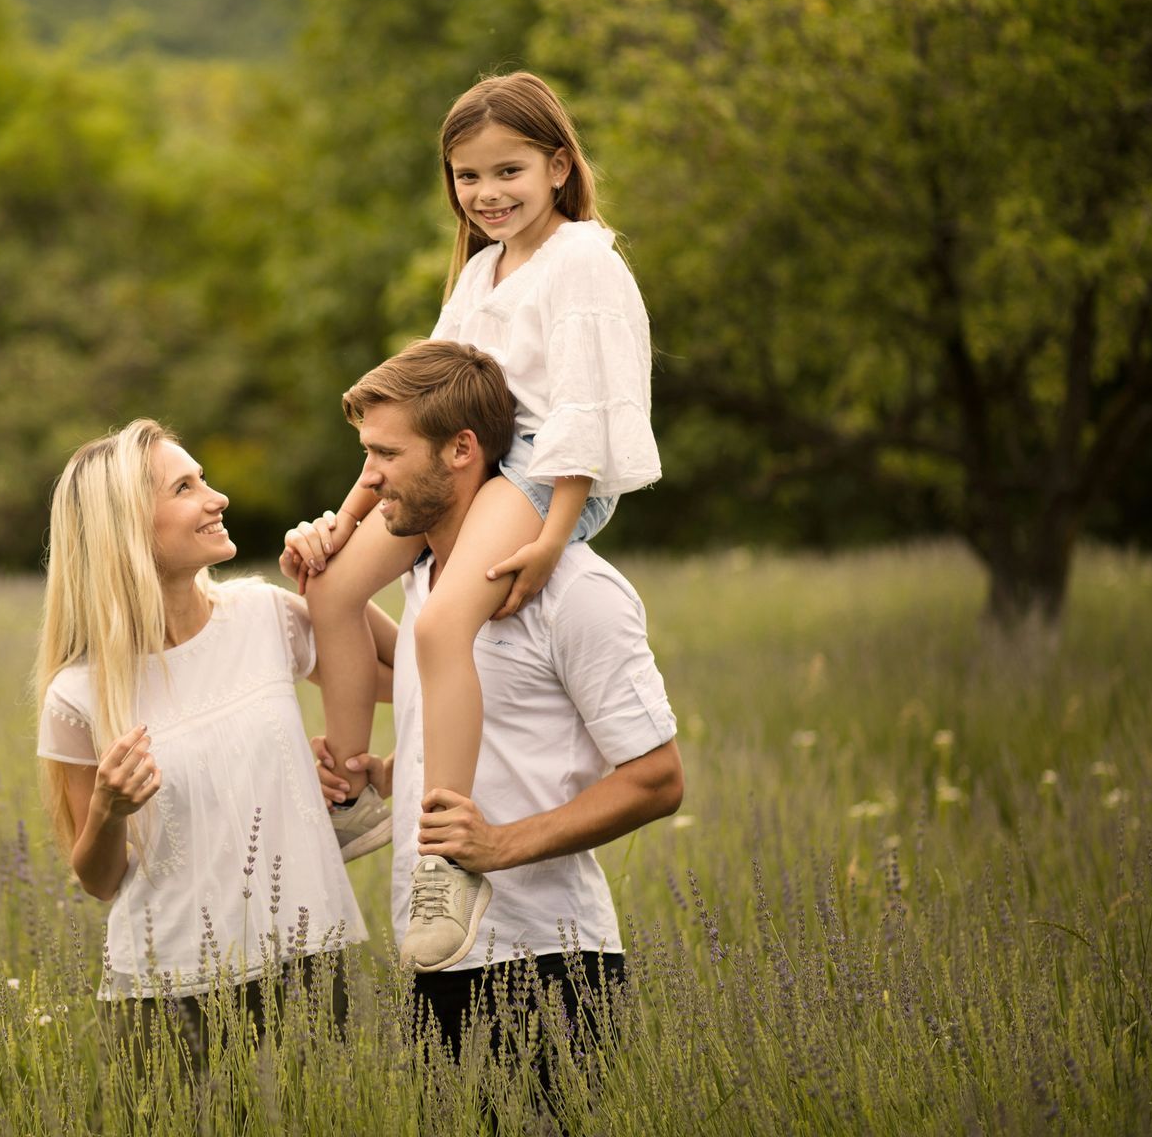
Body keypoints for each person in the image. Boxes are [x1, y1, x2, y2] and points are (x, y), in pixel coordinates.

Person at [290, 72, 662, 972]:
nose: (489, 195)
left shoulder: (584, 260)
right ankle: (350, 792)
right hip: (469, 459)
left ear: (559, 166)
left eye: (510, 171)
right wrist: (345, 519)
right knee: (329, 590)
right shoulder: (481, 273)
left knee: (445, 623)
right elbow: (409, 407)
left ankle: (447, 860)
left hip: (543, 472)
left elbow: (584, 410)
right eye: (468, 178)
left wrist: (552, 531)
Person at [283, 339, 683, 1077]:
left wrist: (499, 846)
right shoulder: (427, 587)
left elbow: (658, 778)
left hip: (549, 964)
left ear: (462, 449)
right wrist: (382, 773)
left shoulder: (575, 592)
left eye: (385, 455)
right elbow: (394, 677)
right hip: (433, 957)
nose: (365, 482)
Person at [35, 419, 394, 1065]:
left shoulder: (262, 617)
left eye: (204, 479)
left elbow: (412, 669)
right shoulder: (78, 694)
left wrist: (334, 578)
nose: (216, 497)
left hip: (308, 969)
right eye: (185, 487)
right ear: (128, 529)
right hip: (166, 1001)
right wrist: (108, 811)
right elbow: (97, 877)